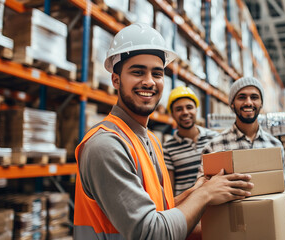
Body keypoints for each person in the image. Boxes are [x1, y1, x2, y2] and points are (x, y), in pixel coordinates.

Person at [73, 23, 253, 240]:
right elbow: (151, 233)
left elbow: (159, 210)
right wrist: (206, 195)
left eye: (157, 73)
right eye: (138, 71)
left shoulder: (149, 139)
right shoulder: (106, 145)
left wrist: (194, 193)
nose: (149, 81)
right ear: (115, 80)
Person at [200, 76, 285, 172]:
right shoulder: (213, 148)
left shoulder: (275, 146)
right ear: (232, 104)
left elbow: (281, 185)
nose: (248, 102)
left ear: (261, 103)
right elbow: (205, 186)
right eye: (242, 97)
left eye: (254, 97)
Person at [163, 86, 219, 196]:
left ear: (196, 110)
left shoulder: (215, 138)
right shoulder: (167, 149)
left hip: (213, 203)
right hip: (187, 208)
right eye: (179, 109)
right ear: (172, 114)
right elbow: (169, 189)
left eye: (189, 107)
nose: (185, 112)